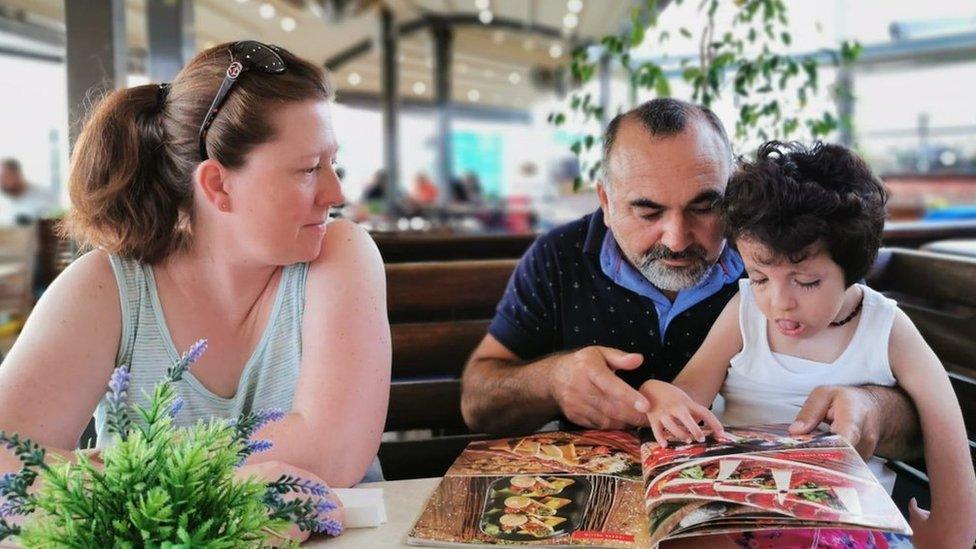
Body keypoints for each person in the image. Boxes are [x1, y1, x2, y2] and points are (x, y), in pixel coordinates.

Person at [0, 41, 391, 539]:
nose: (336, 193)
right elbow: (6, 464)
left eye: (332, 164)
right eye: (308, 168)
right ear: (218, 185)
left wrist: (126, 476)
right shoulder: (107, 285)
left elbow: (334, 452)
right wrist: (245, 483)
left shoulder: (340, 253)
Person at [461, 98, 920, 464]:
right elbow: (477, 401)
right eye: (648, 210)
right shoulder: (559, 257)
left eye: (705, 206)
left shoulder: (774, 258)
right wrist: (551, 380)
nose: (677, 239)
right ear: (606, 200)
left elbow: (921, 429)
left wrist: (872, 410)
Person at [641, 141, 976, 549]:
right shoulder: (745, 310)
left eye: (807, 282)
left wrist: (951, 531)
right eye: (760, 277)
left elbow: (947, 432)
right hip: (737, 507)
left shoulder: (885, 327)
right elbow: (685, 396)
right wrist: (658, 395)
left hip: (846, 519)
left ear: (851, 269)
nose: (779, 301)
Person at [0, 158, 58, 225]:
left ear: (17, 174)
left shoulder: (43, 195)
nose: (2, 181)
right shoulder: (3, 200)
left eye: (4, 176)